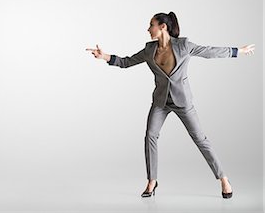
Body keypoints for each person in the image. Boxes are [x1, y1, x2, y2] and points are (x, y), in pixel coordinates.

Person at [86, 12, 255, 199]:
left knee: (200, 139)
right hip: (161, 102)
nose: (148, 29)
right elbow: (127, 62)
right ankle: (152, 181)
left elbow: (209, 52)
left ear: (162, 27)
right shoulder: (149, 50)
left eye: (151, 25)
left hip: (182, 102)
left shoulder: (183, 45)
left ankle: (223, 178)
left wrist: (237, 51)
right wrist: (105, 57)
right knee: (150, 135)